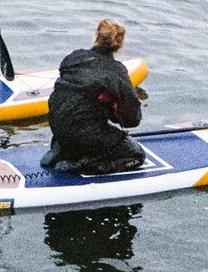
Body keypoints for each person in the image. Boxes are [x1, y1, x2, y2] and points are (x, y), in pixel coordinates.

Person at [43, 19, 146, 173]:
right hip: (85, 134)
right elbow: (132, 120)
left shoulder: (73, 58)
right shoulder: (116, 71)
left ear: (96, 35)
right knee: (137, 154)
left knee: (78, 118)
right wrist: (115, 111)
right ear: (120, 44)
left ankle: (60, 150)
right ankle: (83, 164)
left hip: (57, 127)